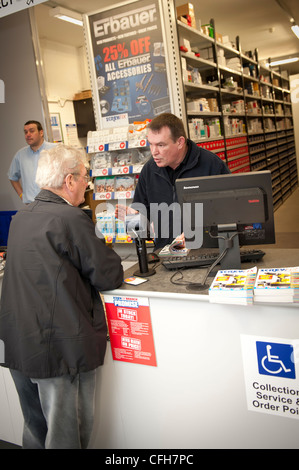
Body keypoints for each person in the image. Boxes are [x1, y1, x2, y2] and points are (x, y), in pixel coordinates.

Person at [0, 144, 124, 449]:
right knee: (67, 435)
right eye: (84, 177)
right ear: (68, 181)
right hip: (60, 349)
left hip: (19, 343)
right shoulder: (71, 218)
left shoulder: (22, 217)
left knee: (35, 429)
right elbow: (108, 275)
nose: (87, 183)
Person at [116, 112, 230, 249]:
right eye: (151, 144)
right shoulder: (149, 171)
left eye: (161, 145)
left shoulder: (212, 166)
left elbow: (231, 217)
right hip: (165, 258)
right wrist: (133, 220)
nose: (153, 152)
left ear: (180, 142)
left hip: (207, 254)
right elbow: (142, 233)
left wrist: (200, 235)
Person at [8, 120, 56, 203]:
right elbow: (12, 177)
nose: (28, 135)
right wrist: (22, 196)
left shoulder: (56, 149)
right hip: (31, 205)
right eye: (25, 132)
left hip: (53, 203)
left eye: (32, 131)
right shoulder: (20, 155)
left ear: (41, 133)